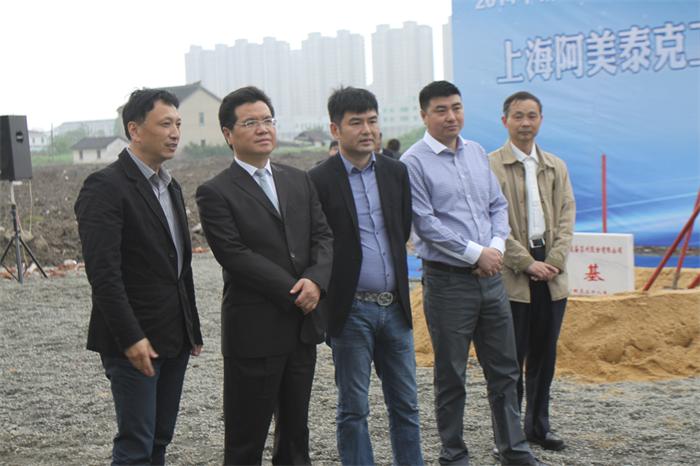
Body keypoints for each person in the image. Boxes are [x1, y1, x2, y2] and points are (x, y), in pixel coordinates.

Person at [401, 81, 544, 466]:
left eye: (456, 108)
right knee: (451, 374)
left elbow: (497, 205)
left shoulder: (477, 152)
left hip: (491, 279)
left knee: (505, 369)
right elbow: (425, 223)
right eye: (441, 110)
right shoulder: (413, 162)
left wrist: (495, 248)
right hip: (448, 282)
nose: (451, 116)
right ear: (424, 115)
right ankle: (453, 453)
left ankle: (513, 448)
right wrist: (475, 253)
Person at [195, 86, 333, 465]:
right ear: (228, 134)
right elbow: (235, 255)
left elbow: (323, 236)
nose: (263, 129)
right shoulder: (215, 192)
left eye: (268, 120)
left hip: (302, 328)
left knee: (295, 436)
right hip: (255, 332)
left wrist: (316, 281)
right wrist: (296, 291)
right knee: (246, 439)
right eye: (250, 122)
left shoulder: (298, 180)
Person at [74, 88, 203, 465]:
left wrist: (191, 328)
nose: (175, 133)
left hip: (174, 337)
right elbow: (104, 274)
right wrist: (130, 337)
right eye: (165, 124)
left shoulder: (170, 186)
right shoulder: (106, 186)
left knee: (160, 438)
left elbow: (180, 266)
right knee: (136, 445)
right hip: (133, 341)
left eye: (178, 124)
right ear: (134, 129)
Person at [309, 87, 423, 466]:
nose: (367, 130)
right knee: (354, 408)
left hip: (396, 308)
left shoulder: (395, 172)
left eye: (372, 121)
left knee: (406, 403)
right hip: (352, 310)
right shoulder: (319, 180)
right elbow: (318, 242)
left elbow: (401, 228)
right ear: (335, 129)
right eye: (356, 122)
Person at [488, 91, 575, 452]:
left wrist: (554, 259)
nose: (525, 123)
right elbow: (491, 222)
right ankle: (509, 436)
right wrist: (526, 262)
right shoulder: (491, 166)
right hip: (512, 276)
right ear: (505, 120)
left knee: (544, 356)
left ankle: (539, 426)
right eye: (518, 116)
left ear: (540, 119)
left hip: (552, 274)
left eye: (532, 116)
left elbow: (567, 215)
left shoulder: (555, 166)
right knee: (510, 360)